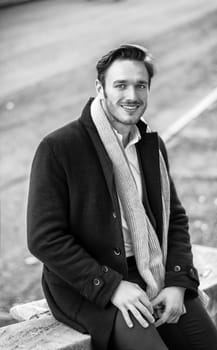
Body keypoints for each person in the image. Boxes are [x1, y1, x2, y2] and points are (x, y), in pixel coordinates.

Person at [27, 44, 217, 350]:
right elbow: (44, 238)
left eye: (140, 85)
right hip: (90, 284)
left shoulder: (151, 146)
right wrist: (111, 287)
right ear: (100, 88)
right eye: (120, 85)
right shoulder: (59, 148)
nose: (132, 96)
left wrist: (178, 282)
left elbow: (175, 218)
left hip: (151, 270)